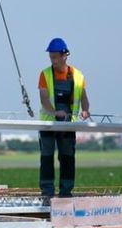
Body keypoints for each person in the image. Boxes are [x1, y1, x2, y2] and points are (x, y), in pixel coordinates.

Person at [38, 37, 90, 198]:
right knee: (47, 158)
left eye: (55, 56)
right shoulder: (45, 74)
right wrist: (54, 113)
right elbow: (44, 99)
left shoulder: (78, 76)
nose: (52, 60)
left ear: (64, 56)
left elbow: (83, 98)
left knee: (67, 158)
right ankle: (47, 193)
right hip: (48, 124)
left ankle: (66, 193)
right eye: (50, 57)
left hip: (68, 124)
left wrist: (85, 110)